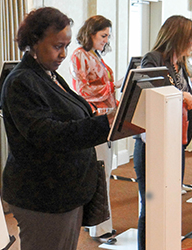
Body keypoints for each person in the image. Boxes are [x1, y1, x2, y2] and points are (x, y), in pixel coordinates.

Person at [0, 7, 114, 250]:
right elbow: (50, 135)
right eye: (57, 46)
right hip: (43, 195)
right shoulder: (22, 81)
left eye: (66, 45)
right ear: (33, 43)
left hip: (64, 191)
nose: (63, 54)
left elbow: (75, 115)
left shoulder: (48, 74)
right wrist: (106, 123)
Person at [134, 15, 192, 250]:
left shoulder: (179, 64)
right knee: (151, 206)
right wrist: (183, 96)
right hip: (153, 145)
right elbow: (151, 93)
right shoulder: (153, 59)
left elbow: (180, 101)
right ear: (178, 37)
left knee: (169, 203)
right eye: (191, 39)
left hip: (175, 142)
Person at [70, 15, 118, 241]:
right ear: (90, 34)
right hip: (94, 118)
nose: (106, 40)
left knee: (105, 171)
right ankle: (100, 226)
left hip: (106, 117)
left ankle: (101, 224)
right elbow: (81, 90)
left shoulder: (95, 55)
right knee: (100, 172)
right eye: (103, 36)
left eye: (107, 36)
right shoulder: (79, 55)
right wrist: (112, 86)